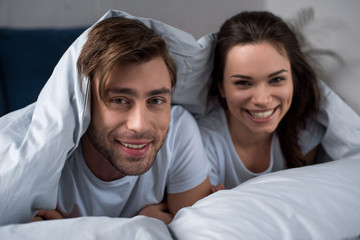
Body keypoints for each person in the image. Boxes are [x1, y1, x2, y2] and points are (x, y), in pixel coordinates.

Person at [32, 16, 212, 224]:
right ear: (84, 100)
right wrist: (139, 228)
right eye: (119, 100)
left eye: (155, 100)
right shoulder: (41, 156)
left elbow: (198, 231)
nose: (139, 125)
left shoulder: (179, 131)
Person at [198, 11, 360, 189]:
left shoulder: (304, 130)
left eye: (276, 79)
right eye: (243, 82)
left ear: (293, 80)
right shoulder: (202, 142)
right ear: (221, 87)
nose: (262, 99)